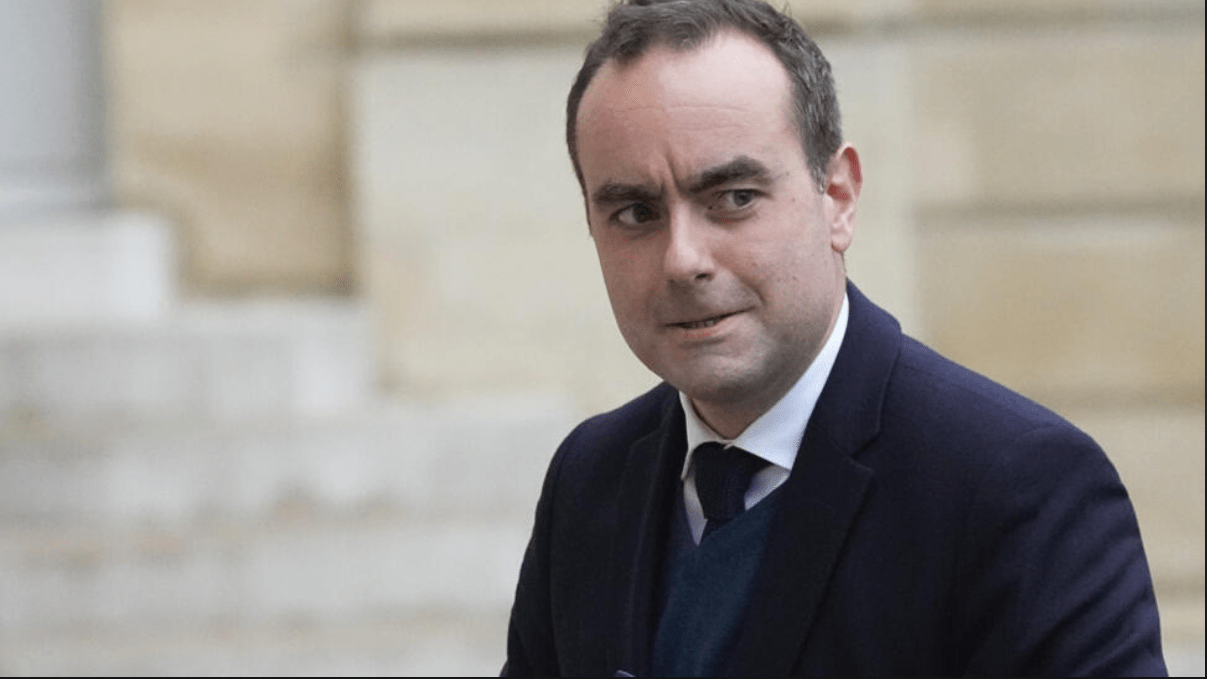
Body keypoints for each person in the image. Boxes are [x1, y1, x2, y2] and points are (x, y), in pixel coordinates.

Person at [504, 0, 1167, 675]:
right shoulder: (589, 478)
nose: (683, 259)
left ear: (839, 197)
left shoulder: (1016, 487)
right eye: (635, 212)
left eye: (733, 197)